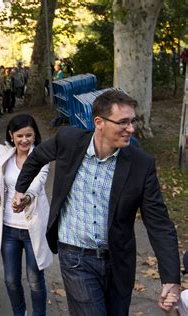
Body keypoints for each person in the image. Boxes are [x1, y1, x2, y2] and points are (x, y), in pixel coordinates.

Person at [12, 90, 180, 315]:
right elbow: (37, 157)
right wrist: (20, 189)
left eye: (132, 121)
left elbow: (159, 223)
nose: (131, 128)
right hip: (75, 257)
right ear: (99, 122)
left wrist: (170, 279)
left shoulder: (141, 164)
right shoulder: (69, 141)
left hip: (118, 261)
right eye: (123, 122)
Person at [0, 95, 52, 316]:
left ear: (35, 136)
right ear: (11, 137)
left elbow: (38, 183)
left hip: (33, 228)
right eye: (20, 135)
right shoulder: (3, 153)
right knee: (11, 280)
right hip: (9, 229)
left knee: (35, 280)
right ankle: (19, 312)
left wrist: (26, 198)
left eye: (29, 135)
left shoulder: (41, 157)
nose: (24, 140)